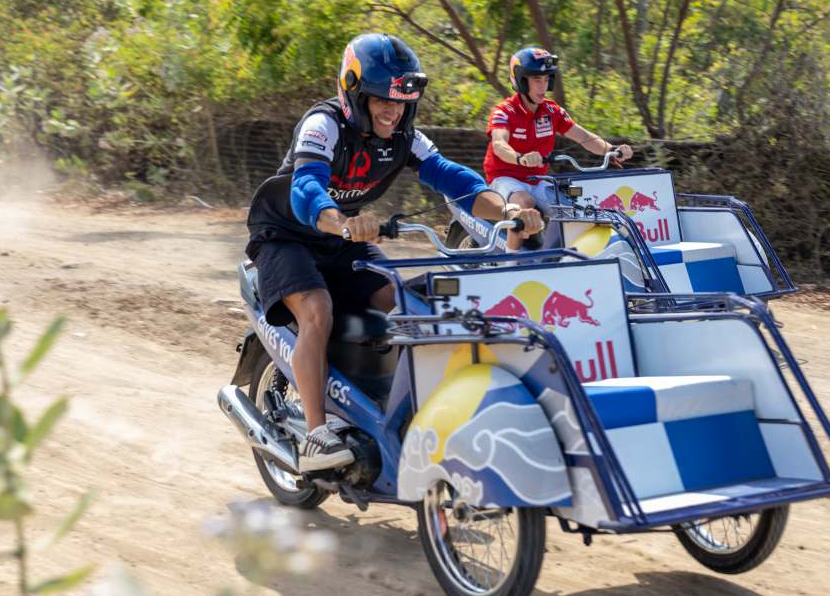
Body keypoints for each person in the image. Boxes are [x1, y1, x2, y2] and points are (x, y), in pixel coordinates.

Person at [245, 33, 542, 471]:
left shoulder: (406, 137)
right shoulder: (323, 125)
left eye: (401, 102)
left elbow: (457, 181)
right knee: (317, 310)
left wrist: (510, 209)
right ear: (353, 94)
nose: (392, 110)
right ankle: (317, 434)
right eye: (380, 100)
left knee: (406, 302)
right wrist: (341, 220)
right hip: (286, 234)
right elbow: (306, 188)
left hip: (341, 237)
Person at [482, 47, 634, 251]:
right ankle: (510, 263)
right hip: (505, 178)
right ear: (521, 80)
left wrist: (611, 149)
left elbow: (584, 137)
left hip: (538, 180)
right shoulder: (504, 111)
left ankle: (556, 257)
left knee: (572, 208)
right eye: (537, 80)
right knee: (524, 202)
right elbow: (499, 145)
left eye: (546, 80)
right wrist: (521, 158)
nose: (542, 86)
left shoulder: (552, 111)